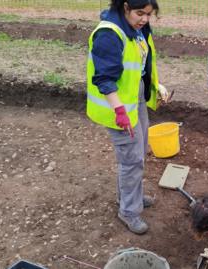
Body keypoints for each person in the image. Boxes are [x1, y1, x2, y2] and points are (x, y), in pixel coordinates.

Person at [86, 0, 170, 234]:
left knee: (139, 153)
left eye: (149, 15)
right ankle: (128, 211)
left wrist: (156, 85)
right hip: (118, 106)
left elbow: (140, 64)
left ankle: (130, 196)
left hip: (136, 99)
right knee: (131, 160)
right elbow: (104, 79)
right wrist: (120, 112)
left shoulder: (137, 28)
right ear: (124, 7)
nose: (144, 19)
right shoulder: (109, 35)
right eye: (140, 13)